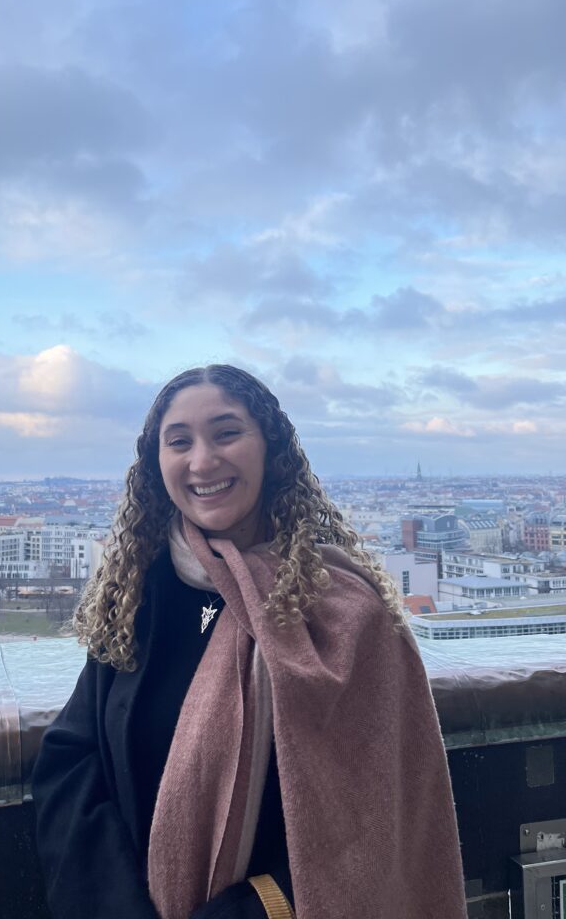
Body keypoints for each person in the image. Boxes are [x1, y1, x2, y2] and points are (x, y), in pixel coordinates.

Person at [32, 365, 467, 919]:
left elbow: (381, 814)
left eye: (227, 433)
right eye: (180, 442)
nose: (202, 461)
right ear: (156, 463)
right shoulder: (141, 593)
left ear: (272, 450)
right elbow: (75, 755)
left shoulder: (344, 611)